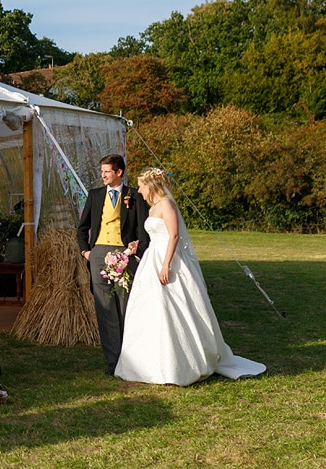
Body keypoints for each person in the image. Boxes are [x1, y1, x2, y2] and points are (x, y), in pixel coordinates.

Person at [115, 169, 266, 385]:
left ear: (152, 186)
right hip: (152, 259)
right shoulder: (154, 207)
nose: (139, 190)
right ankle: (146, 362)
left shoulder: (166, 204)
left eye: (141, 185)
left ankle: (181, 362)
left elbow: (174, 235)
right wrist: (137, 244)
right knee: (150, 308)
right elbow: (156, 235)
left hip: (166, 259)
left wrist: (166, 265)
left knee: (174, 306)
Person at [76, 154, 149, 375]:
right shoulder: (95, 195)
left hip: (125, 254)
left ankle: (131, 359)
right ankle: (113, 361)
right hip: (98, 254)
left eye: (107, 171)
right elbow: (82, 227)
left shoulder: (134, 196)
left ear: (119, 172)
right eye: (102, 172)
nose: (103, 176)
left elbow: (144, 231)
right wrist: (87, 252)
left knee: (126, 306)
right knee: (105, 308)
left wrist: (137, 254)